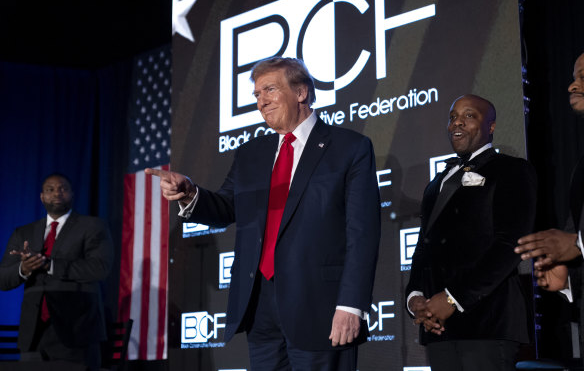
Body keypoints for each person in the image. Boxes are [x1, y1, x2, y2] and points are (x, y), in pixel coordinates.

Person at [146, 57, 380, 370]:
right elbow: (227, 208)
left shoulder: (349, 147)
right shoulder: (251, 153)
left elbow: (362, 233)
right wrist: (190, 193)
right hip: (259, 306)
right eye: (257, 94)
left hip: (320, 305)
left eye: (269, 89)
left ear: (300, 92)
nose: (261, 101)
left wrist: (351, 305)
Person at [405, 94, 537, 371]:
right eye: (453, 116)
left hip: (487, 324)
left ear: (490, 126)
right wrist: (415, 297)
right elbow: (423, 247)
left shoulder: (512, 170)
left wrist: (454, 298)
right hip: (438, 327)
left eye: (469, 116)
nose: (457, 123)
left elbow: (510, 245)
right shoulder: (436, 184)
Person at [0, 173, 114, 370]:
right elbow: (3, 278)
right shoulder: (23, 233)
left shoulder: (93, 226)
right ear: (42, 197)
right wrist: (23, 269)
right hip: (34, 334)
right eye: (50, 190)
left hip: (77, 331)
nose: (57, 193)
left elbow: (99, 269)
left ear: (72, 194)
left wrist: (49, 265)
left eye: (63, 188)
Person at [515, 52, 584, 352]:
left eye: (582, 76)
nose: (571, 86)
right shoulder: (581, 167)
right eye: (573, 77)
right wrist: (565, 277)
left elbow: (577, 240)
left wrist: (578, 244)